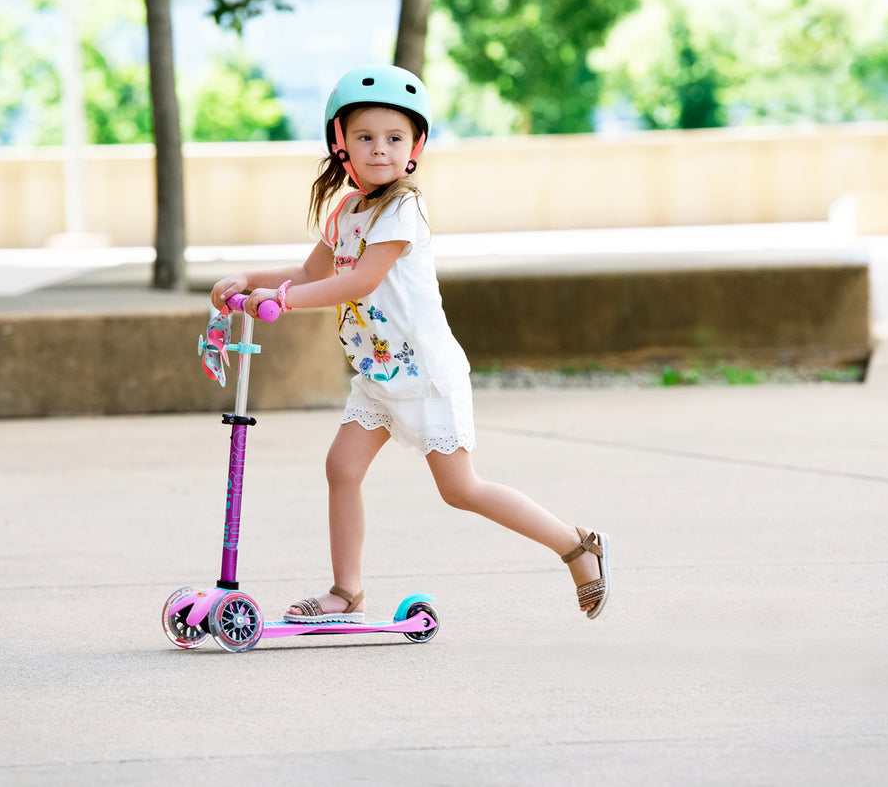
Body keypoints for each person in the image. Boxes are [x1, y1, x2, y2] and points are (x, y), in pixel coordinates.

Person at [210, 64, 609, 623]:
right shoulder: (346, 210)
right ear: (339, 144)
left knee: (461, 489)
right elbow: (310, 270)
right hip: (378, 374)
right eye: (365, 137)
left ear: (416, 145)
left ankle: (576, 544)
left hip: (424, 373)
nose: (379, 150)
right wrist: (250, 280)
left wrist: (282, 304)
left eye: (394, 138)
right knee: (341, 468)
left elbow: (359, 281)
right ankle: (346, 592)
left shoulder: (403, 208)